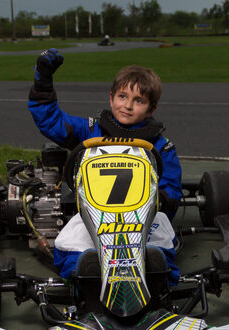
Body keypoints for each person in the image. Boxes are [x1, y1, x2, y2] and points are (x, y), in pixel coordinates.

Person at [28, 48, 182, 285]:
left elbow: (170, 188)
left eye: (138, 100)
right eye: (122, 97)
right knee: (71, 240)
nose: (128, 106)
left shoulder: (160, 146)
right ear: (111, 98)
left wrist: (159, 200)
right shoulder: (91, 130)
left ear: (151, 109)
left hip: (141, 216)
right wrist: (43, 80)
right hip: (94, 213)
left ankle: (156, 272)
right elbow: (51, 121)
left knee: (160, 235)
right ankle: (85, 273)